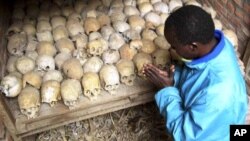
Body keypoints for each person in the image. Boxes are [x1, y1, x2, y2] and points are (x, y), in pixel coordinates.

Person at [143, 5, 248, 141]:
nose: (171, 49)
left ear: (192, 47)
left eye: (174, 46)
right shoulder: (218, 43)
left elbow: (184, 136)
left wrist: (167, 91)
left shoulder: (216, 94)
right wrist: (175, 77)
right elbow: (198, 73)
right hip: (223, 120)